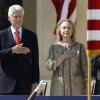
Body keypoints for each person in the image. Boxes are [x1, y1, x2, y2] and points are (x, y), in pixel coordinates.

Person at [0, 4, 39, 95]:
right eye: (15, 17)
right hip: (6, 84)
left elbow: (35, 61)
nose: (18, 19)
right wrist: (12, 50)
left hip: (25, 84)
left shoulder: (31, 36)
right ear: (9, 18)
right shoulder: (2, 35)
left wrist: (35, 82)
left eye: (20, 17)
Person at [45, 19, 87, 96]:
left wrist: (87, 87)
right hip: (59, 88)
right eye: (64, 28)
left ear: (72, 31)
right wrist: (63, 57)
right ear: (60, 31)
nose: (66, 30)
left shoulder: (80, 47)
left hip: (76, 88)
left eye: (69, 28)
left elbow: (85, 69)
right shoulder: (54, 47)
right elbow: (49, 66)